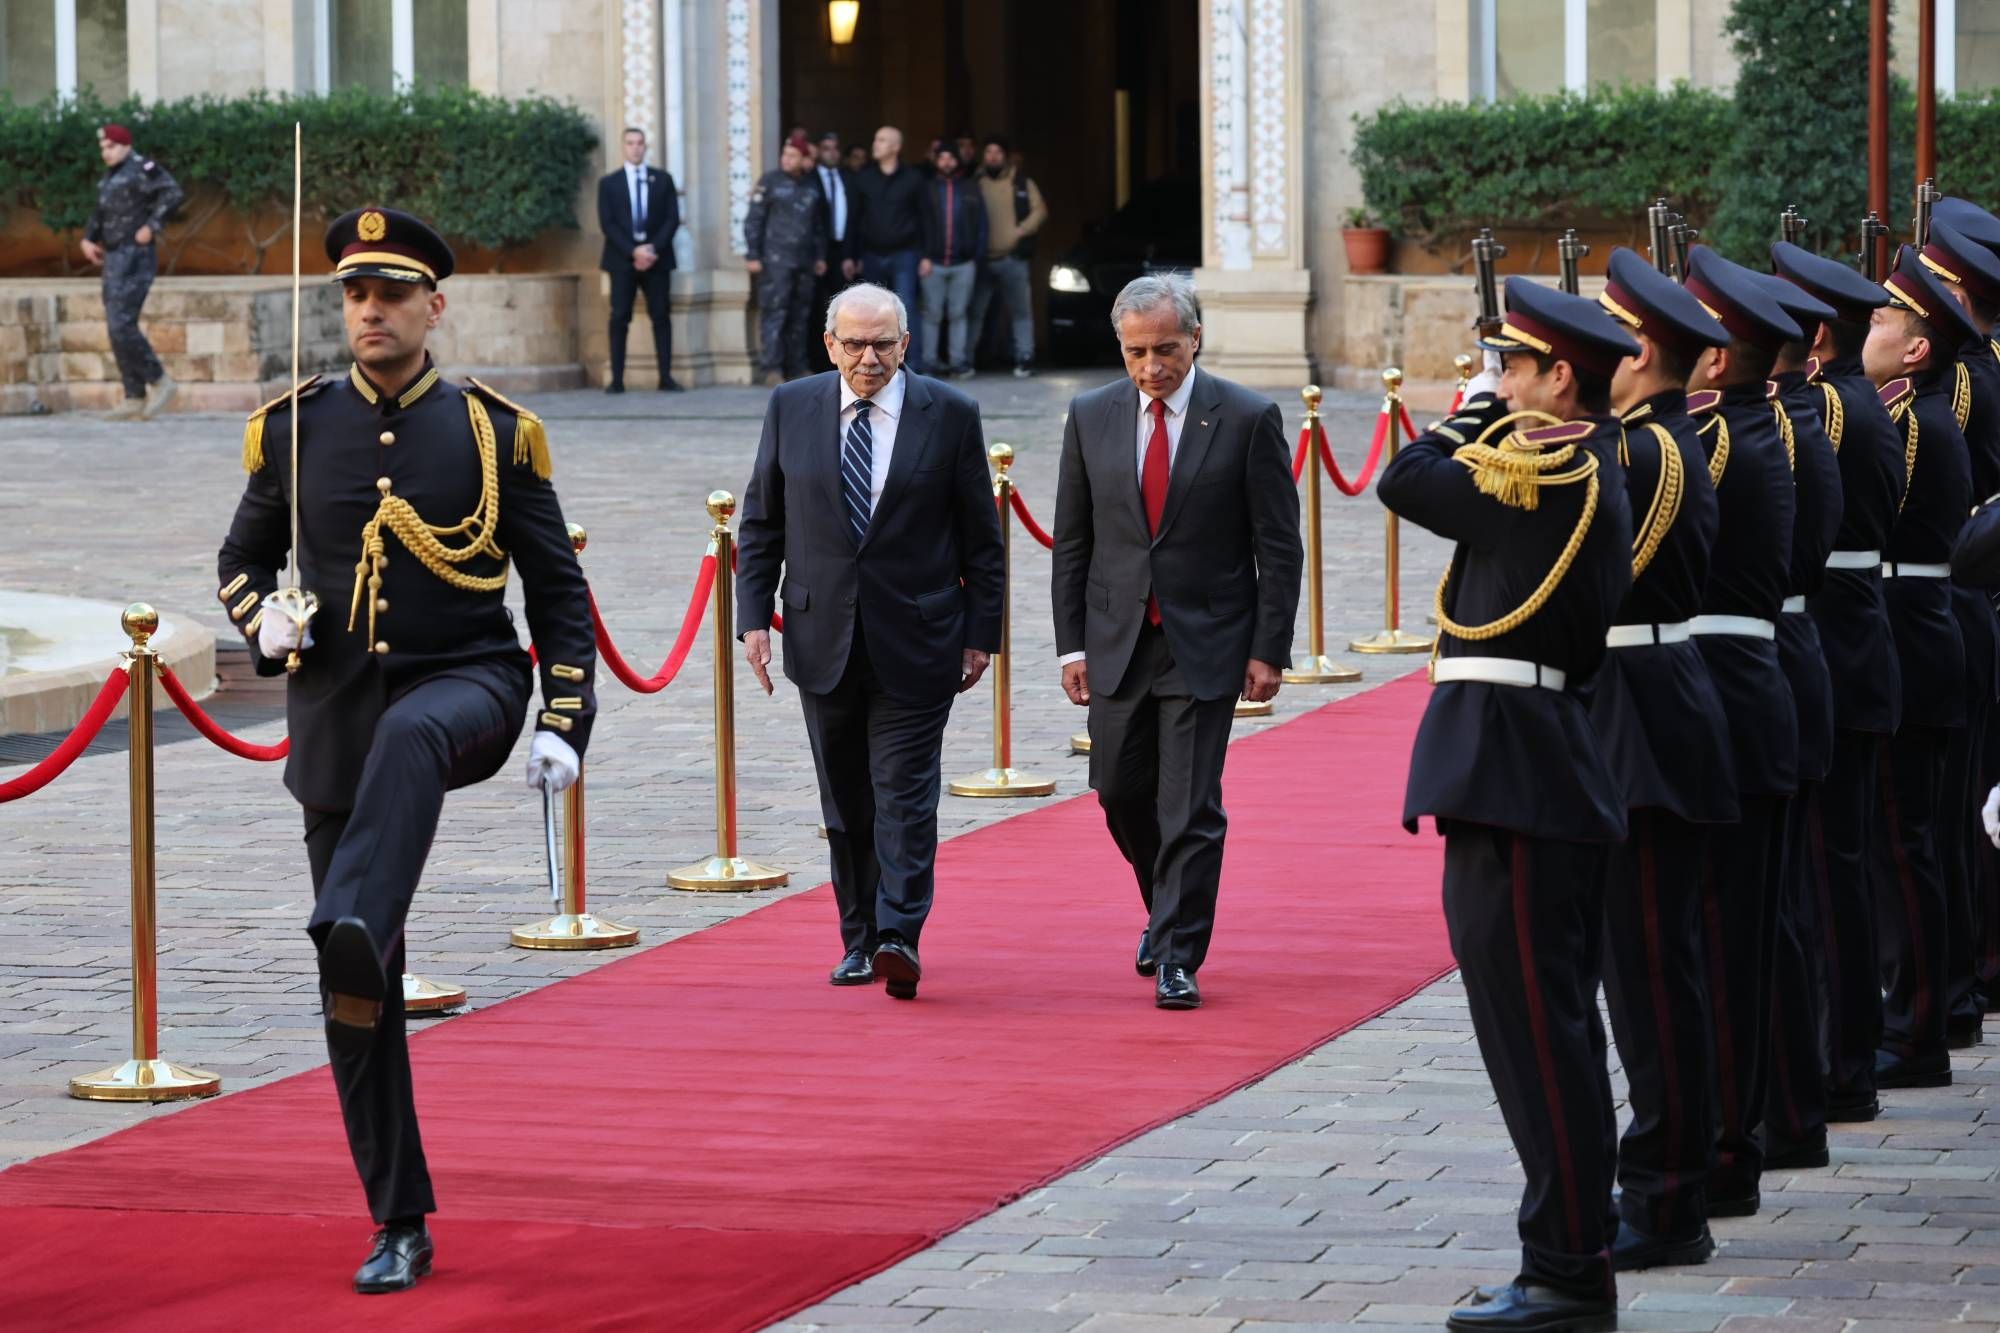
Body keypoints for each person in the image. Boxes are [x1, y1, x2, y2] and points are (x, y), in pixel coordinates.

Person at [215, 206, 596, 1293]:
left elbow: (557, 593)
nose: (369, 311)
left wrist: (564, 720)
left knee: (411, 736)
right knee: (358, 994)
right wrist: (263, 618)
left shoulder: (493, 432)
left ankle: (355, 914)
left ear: (435, 307)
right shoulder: (291, 428)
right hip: (335, 717)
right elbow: (239, 559)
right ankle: (398, 1218)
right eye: (354, 294)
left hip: (466, 686)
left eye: (391, 294)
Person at [1381, 276, 1635, 1333]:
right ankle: (1568, 1248)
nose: (1497, 382)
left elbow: (1405, 475)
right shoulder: (1560, 469)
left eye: (1513, 365)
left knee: (1540, 1033)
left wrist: (1473, 407)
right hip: (1519, 767)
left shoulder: (1556, 476)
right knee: (1541, 1029)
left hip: (1521, 771)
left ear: (1558, 377)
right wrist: (1498, 403)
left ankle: (1567, 1268)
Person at [734, 283, 1003, 999]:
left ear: (904, 344)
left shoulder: (950, 413)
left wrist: (982, 633)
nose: (868, 358)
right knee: (846, 802)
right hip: (822, 636)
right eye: (854, 344)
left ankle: (898, 935)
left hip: (919, 639)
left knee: (904, 795)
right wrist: (753, 617)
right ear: (830, 345)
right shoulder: (791, 406)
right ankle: (857, 938)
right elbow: (762, 521)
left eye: (883, 343)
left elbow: (982, 538)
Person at [1050, 273, 1301, 1011]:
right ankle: (1163, 905)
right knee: (1119, 792)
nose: (1152, 366)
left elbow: (1278, 546)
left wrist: (1268, 648)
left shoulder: (1247, 417)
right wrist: (1071, 647)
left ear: (1195, 338)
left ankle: (1177, 952)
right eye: (1136, 352)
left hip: (1208, 641)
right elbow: (1073, 540)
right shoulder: (1090, 415)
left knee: (1188, 806)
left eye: (1165, 349)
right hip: (1117, 640)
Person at [1586, 248, 1735, 1271]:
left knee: (1650, 978)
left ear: (1639, 352)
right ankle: (1667, 1178)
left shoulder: (1641, 453)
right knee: (1653, 972)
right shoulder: (1655, 440)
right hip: (1649, 709)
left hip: (1640, 716)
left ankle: (1667, 1196)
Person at [1677, 247, 1801, 1219]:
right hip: (1752, 693)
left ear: (1715, 360)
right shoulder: (1763, 427)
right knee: (1738, 940)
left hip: (1722, 702)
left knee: (1717, 947)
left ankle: (1722, 1150)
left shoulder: (1713, 443)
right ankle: (1735, 1139)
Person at [1774, 242, 1904, 1124]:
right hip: (1857, 637)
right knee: (1841, 868)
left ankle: (1840, 1061)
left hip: (1836, 639)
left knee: (1826, 874)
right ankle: (1847, 1055)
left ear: (1814, 336)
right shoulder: (1857, 399)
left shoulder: (1822, 407)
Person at [1864, 245, 1980, 1088]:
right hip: (1916, 629)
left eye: (1880, 319)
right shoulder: (1906, 412)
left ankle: (1916, 1031)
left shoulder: (1910, 421)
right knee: (1911, 842)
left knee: (1906, 846)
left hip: (1911, 631)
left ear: (1915, 348)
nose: (1864, 328)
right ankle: (1922, 1015)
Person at [1749, 267, 1844, 1174]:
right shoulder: (1794, 423)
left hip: (1762, 662)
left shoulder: (1767, 432)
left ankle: (1782, 1110)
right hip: (1787, 656)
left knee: (1766, 912)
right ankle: (1790, 1106)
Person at [1917, 217, 2000, 1047]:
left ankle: (1963, 978)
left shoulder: (1966, 379)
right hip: (1968, 599)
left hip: (1960, 591)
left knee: (1948, 815)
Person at [81, 122, 181, 421]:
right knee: (116, 326)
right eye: (103, 148)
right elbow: (101, 212)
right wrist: (88, 238)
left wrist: (152, 226)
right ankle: (134, 396)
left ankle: (160, 381)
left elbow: (172, 193)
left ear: (125, 145)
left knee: (122, 324)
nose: (106, 153)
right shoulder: (110, 176)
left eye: (111, 147)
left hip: (136, 257)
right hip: (113, 257)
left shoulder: (142, 168)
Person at [596, 126, 682, 393]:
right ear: (623, 147)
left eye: (640, 143)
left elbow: (672, 218)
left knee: (661, 316)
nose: (635, 148)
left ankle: (665, 377)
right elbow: (608, 223)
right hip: (622, 261)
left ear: (645, 147)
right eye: (631, 143)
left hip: (657, 260)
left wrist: (651, 249)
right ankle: (617, 379)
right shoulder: (609, 183)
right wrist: (633, 251)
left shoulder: (663, 180)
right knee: (619, 317)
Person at [743, 134, 829, 388]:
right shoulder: (769, 182)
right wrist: (753, 254)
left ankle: (798, 366)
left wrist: (820, 256)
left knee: (800, 316)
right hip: (775, 262)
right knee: (775, 314)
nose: (786, 159)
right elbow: (754, 220)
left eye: (793, 155)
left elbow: (818, 226)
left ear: (804, 159)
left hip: (805, 262)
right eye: (785, 154)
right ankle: (772, 368)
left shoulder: (812, 185)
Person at [848, 126, 930, 370]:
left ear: (896, 147)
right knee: (872, 312)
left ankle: (913, 365)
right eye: (876, 139)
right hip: (871, 254)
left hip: (905, 254)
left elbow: (926, 218)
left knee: (906, 309)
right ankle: (874, 363)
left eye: (882, 140)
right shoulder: (863, 178)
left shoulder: (914, 178)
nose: (876, 144)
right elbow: (854, 219)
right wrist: (850, 255)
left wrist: (926, 255)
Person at [970, 136, 1048, 378]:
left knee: (1021, 312)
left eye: (997, 152)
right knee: (974, 313)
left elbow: (1040, 210)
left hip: (1013, 259)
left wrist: (1022, 229)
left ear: (1005, 156)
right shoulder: (975, 182)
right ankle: (964, 361)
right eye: (989, 152)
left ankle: (1025, 358)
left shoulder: (1021, 182)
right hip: (982, 260)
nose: (993, 157)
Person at [918, 142, 987, 379]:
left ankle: (958, 363)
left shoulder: (970, 188)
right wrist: (922, 256)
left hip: (964, 263)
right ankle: (929, 363)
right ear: (936, 161)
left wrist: (975, 257)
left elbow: (982, 224)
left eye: (951, 158)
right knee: (932, 314)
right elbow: (918, 223)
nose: (946, 162)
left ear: (957, 161)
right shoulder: (926, 189)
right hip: (932, 262)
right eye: (942, 158)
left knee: (959, 314)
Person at [813, 131, 853, 331]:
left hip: (841, 250)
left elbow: (854, 218)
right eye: (826, 148)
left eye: (835, 148)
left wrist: (850, 254)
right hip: (816, 251)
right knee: (815, 305)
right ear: (818, 151)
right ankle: (817, 349)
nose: (831, 153)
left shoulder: (848, 178)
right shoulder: (809, 178)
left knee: (842, 304)